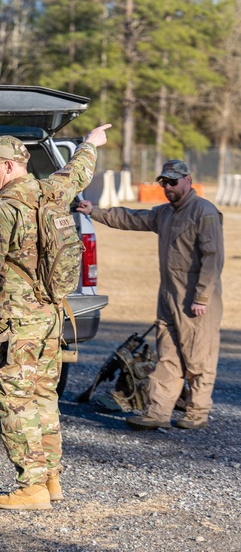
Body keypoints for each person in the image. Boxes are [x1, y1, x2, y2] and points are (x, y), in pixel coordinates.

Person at [0, 124, 111, 511]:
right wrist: (89, 144)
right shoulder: (50, 191)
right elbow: (78, 172)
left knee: (13, 400)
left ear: (6, 166)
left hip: (17, 324)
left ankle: (31, 486)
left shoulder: (3, 209)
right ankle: (50, 477)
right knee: (43, 396)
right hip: (51, 316)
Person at [76, 160, 223, 430]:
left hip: (195, 300)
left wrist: (201, 298)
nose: (167, 187)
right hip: (168, 296)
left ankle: (197, 412)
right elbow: (132, 218)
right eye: (163, 182)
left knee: (198, 357)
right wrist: (94, 211)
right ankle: (158, 412)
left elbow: (213, 259)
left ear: (188, 180)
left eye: (173, 182)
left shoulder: (205, 212)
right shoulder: (165, 213)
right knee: (167, 355)